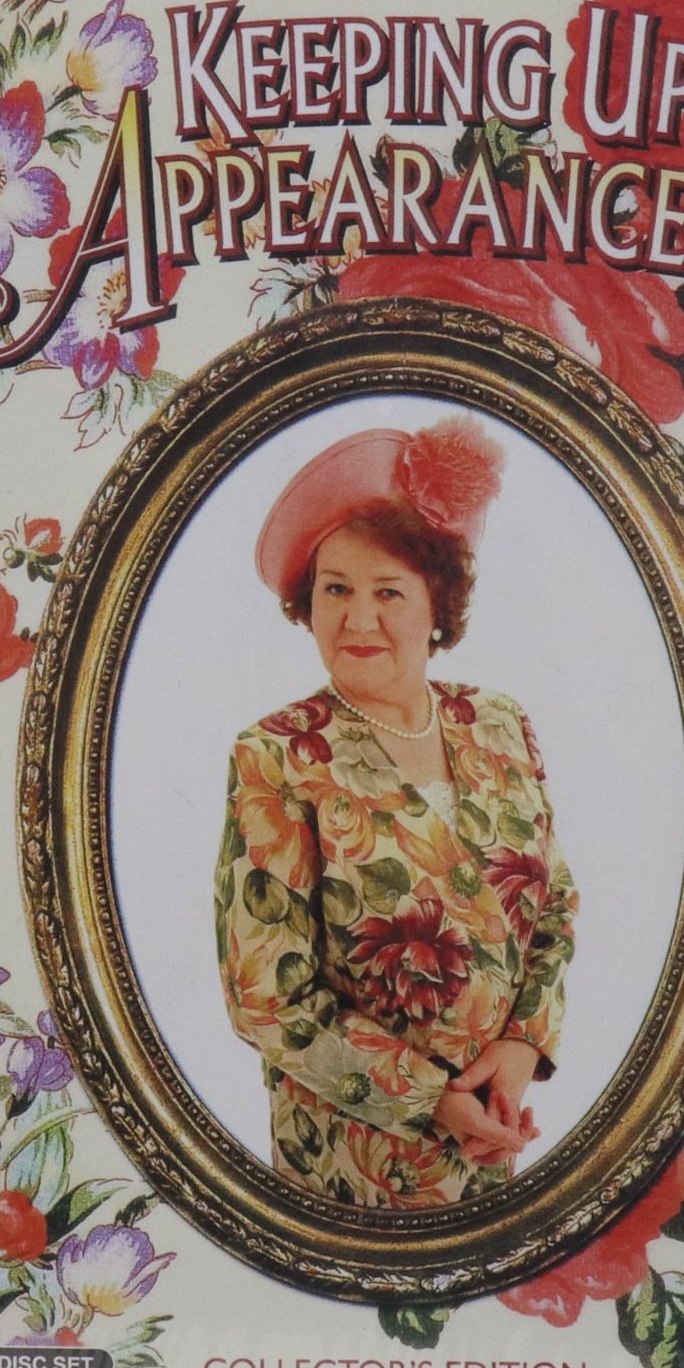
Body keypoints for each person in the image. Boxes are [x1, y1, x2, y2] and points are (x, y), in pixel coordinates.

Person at [214, 414, 577, 1208]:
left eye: (388, 592)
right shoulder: (277, 756)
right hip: (351, 1158)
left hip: (494, 1138)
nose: (358, 618)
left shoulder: (498, 722)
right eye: (335, 589)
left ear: (437, 605)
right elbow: (267, 996)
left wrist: (521, 1048)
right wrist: (429, 1099)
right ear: (306, 603)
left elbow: (553, 907)